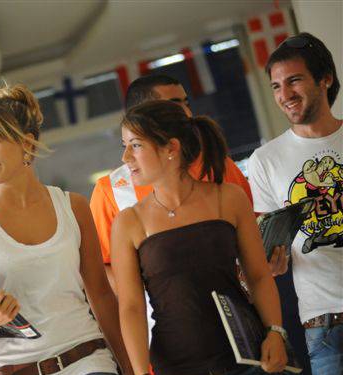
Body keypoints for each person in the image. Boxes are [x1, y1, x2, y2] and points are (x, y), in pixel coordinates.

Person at [0, 84, 133, 375]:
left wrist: (131, 369)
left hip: (89, 364)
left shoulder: (73, 206)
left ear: (27, 143)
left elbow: (101, 295)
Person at [112, 100, 297, 375]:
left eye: (135, 145)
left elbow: (258, 275)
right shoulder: (129, 222)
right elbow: (130, 307)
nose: (126, 157)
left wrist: (276, 332)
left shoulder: (229, 197)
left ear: (171, 148)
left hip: (255, 364)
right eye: (125, 146)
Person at [90, 74, 289, 294]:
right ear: (142, 115)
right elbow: (101, 270)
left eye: (187, 104)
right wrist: (161, 283)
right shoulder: (111, 190)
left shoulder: (216, 164)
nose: (186, 114)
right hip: (161, 313)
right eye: (174, 106)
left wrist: (266, 262)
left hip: (237, 305)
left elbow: (256, 236)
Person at [248, 32, 342, 375]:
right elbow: (272, 248)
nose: (284, 94)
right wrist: (271, 261)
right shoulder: (265, 160)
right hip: (324, 321)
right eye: (275, 86)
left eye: (295, 80)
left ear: (325, 79)